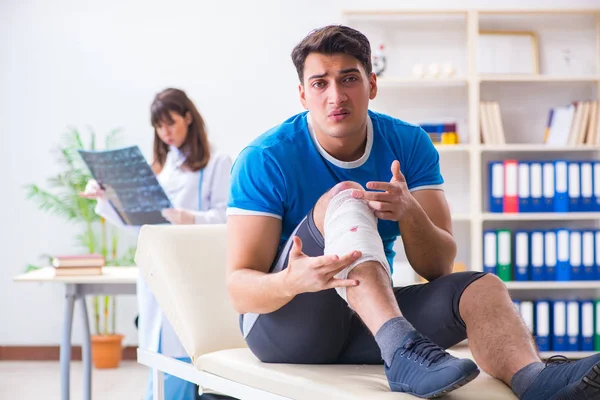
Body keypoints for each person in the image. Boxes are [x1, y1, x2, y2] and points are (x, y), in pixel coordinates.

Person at [225, 25, 600, 399]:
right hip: (289, 324)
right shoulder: (266, 158)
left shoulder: (408, 142)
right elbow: (240, 290)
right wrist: (293, 281)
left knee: (483, 288)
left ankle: (536, 381)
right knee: (347, 196)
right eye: (320, 83)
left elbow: (436, 268)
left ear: (372, 85)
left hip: (367, 320)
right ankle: (401, 349)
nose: (336, 96)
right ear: (303, 94)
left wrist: (409, 211)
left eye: (349, 79)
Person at [81, 88, 232, 400]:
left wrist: (186, 217)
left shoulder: (217, 162)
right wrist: (106, 197)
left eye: (171, 123)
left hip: (193, 271)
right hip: (156, 270)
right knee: (160, 356)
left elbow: (227, 218)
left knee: (186, 356)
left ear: (188, 118)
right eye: (159, 127)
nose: (166, 133)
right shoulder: (158, 169)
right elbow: (137, 222)